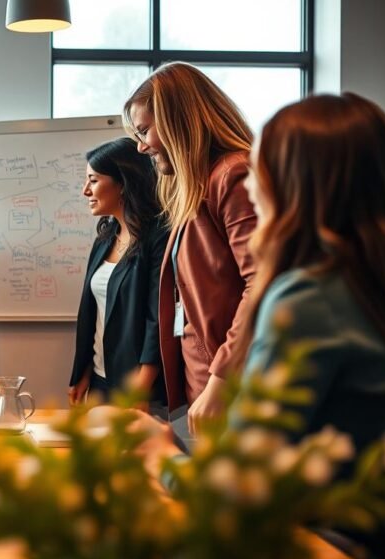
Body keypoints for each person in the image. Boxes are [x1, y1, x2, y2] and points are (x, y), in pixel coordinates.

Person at [134, 92, 385, 559]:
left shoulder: (306, 300)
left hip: (328, 556)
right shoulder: (384, 284)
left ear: (290, 185)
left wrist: (158, 451)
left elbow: (236, 493)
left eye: (260, 168)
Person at [124, 62, 256, 434]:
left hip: (228, 392)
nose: (141, 145)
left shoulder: (233, 174)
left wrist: (221, 379)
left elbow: (262, 284)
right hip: (202, 391)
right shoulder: (202, 184)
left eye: (145, 130)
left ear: (178, 120)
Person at [69, 138, 167, 404]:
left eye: (93, 180)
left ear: (123, 183)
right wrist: (85, 371)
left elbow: (157, 318)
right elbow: (92, 311)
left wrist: (142, 385)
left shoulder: (158, 238)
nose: (85, 191)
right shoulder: (105, 236)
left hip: (137, 385)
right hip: (101, 378)